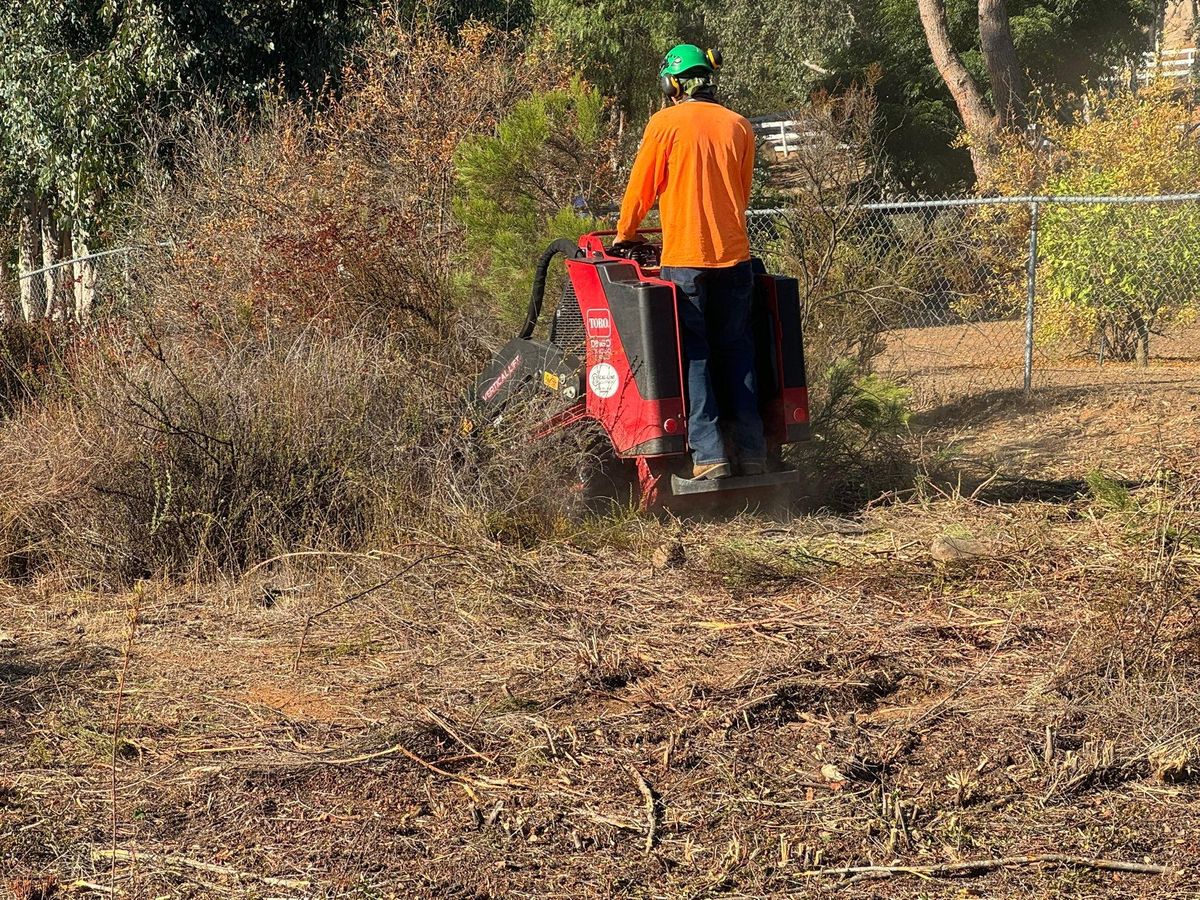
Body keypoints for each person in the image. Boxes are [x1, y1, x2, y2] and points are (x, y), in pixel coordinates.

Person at [614, 44, 766, 481]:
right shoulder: (739, 125)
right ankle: (752, 453)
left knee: (695, 353)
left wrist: (626, 233)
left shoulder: (665, 124)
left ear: (672, 84)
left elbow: (641, 188)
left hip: (685, 259)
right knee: (738, 350)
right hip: (735, 257)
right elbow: (742, 193)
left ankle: (710, 454)